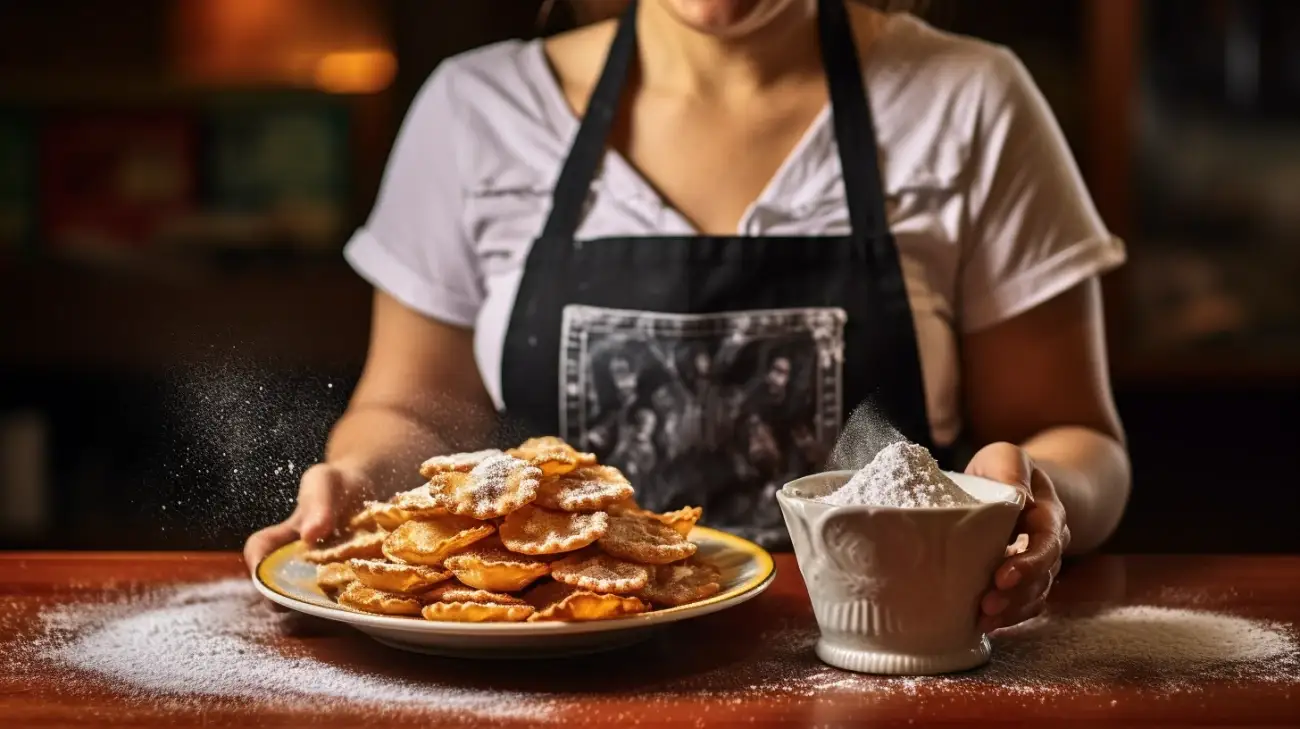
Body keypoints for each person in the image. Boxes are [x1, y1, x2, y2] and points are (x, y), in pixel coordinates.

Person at [246, 0, 1132, 633]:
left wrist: (1041, 494)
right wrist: (355, 482)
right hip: (551, 668)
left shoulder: (969, 101)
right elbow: (413, 411)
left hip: (874, 660)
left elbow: (1078, 435)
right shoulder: (477, 111)